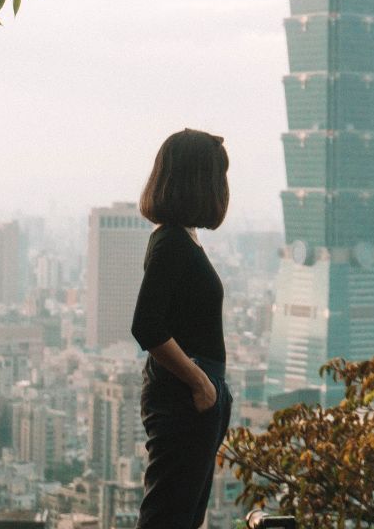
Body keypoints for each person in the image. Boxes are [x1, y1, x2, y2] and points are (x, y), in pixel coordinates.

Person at [131, 128, 232, 529]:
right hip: (184, 397)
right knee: (169, 517)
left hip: (193, 396)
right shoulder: (172, 241)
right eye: (217, 176)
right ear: (197, 181)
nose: (223, 187)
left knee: (184, 516)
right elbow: (147, 326)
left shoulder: (181, 239)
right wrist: (201, 384)